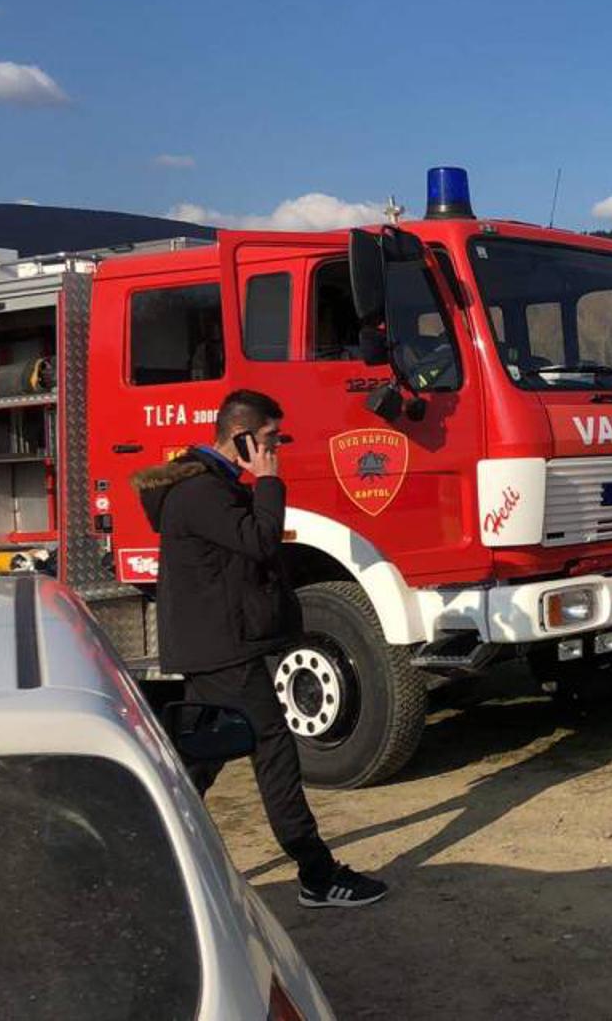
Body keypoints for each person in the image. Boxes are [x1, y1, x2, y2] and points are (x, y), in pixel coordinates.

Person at [132, 389, 388, 908]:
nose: (276, 448)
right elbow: (261, 541)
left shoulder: (208, 486)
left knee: (201, 755)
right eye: (270, 439)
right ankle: (317, 874)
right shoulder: (203, 492)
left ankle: (143, 850)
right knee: (272, 747)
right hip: (223, 648)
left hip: (215, 645)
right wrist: (269, 480)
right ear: (242, 437)